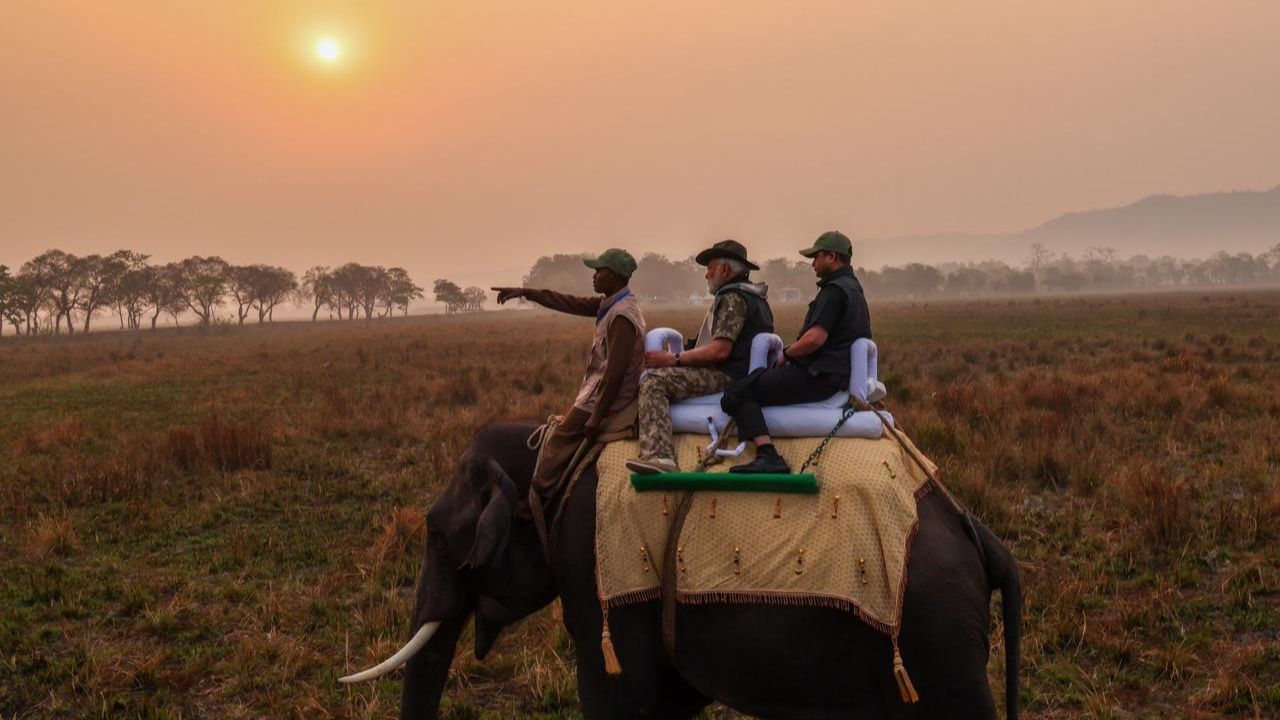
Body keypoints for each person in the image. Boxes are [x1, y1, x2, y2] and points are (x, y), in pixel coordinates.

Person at [492, 248, 646, 516]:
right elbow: (568, 302)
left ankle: (537, 502)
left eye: (600, 271)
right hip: (597, 392)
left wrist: (596, 416)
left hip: (607, 398)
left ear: (617, 276)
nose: (595, 277)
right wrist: (526, 292)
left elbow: (615, 374)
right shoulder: (610, 305)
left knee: (558, 442)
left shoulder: (622, 316)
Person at [720, 231, 872, 474]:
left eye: (816, 257)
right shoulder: (854, 288)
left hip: (818, 375)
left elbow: (815, 338)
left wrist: (787, 354)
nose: (812, 263)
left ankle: (767, 454)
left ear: (832, 257)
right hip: (835, 375)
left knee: (738, 392)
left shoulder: (833, 291)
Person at [626, 240, 774, 475]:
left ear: (725, 270)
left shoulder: (733, 298)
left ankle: (660, 457)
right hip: (744, 372)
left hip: (728, 373)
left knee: (653, 381)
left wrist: (672, 359)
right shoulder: (755, 296)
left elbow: (720, 351)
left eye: (710, 268)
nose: (707, 275)